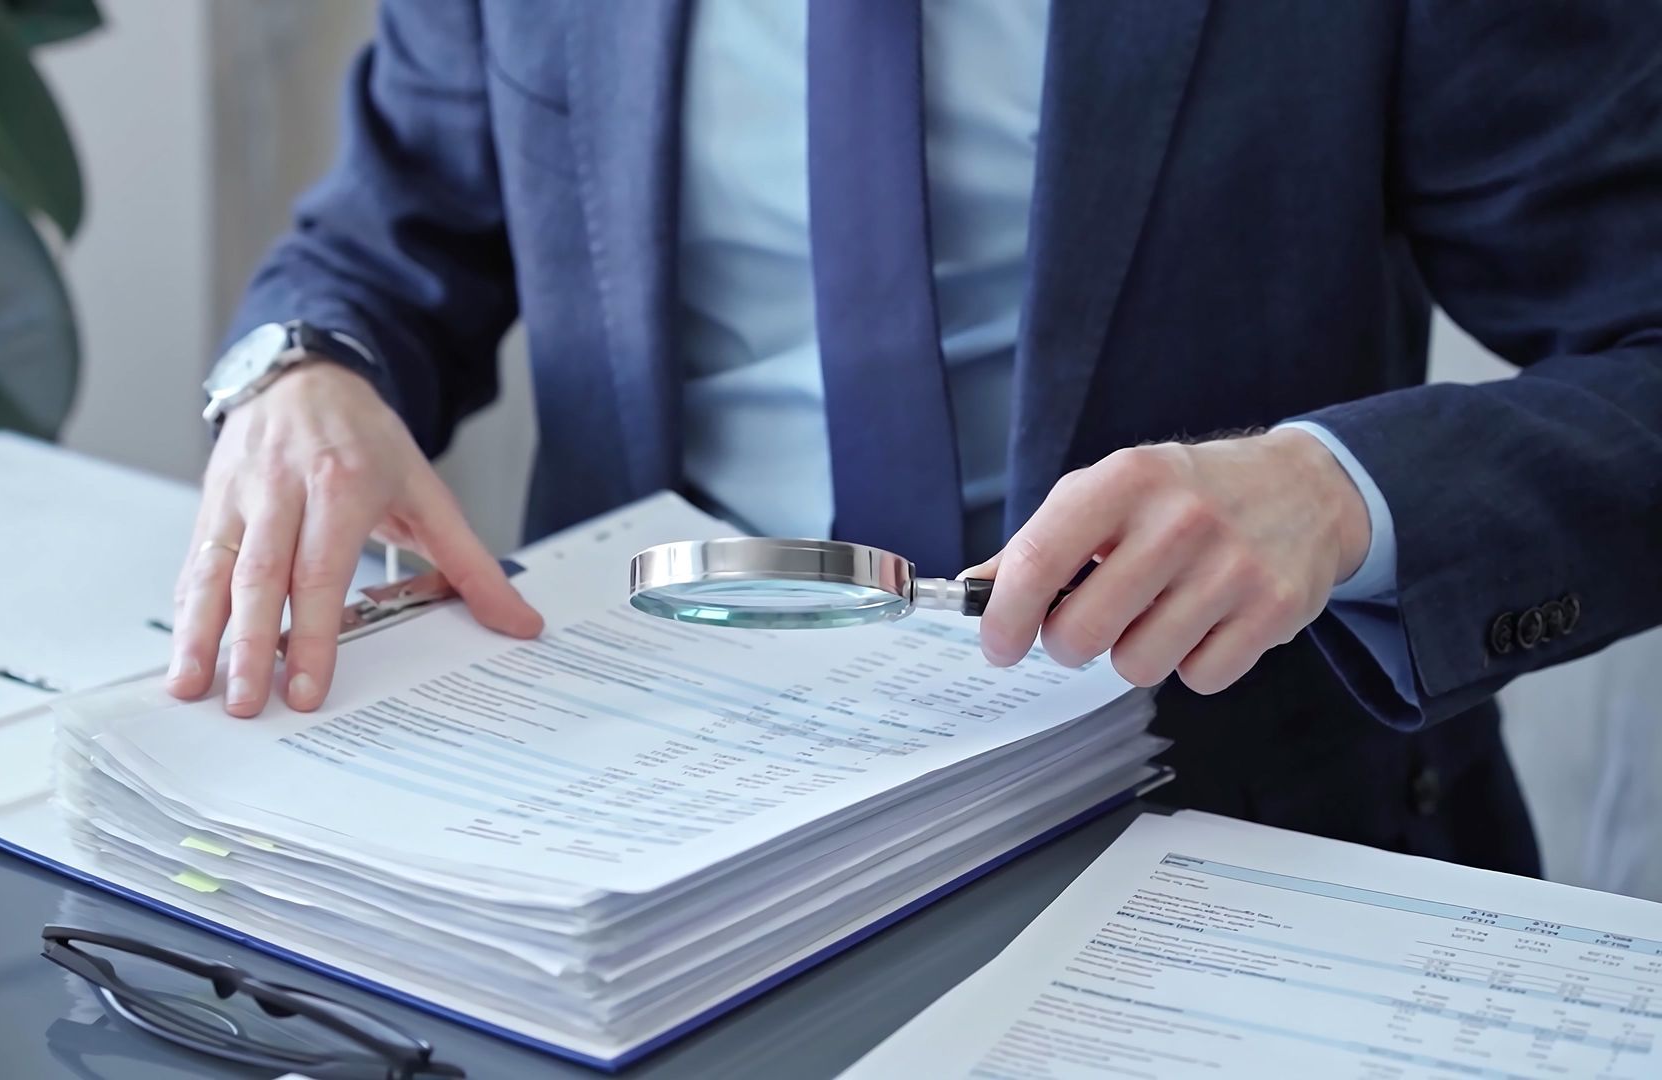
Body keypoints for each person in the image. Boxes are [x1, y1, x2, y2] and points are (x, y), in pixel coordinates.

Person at [168, 1, 1662, 876]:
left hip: (1222, 832)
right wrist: (297, 374)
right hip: (625, 836)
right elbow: (380, 238)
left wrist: (1338, 495)